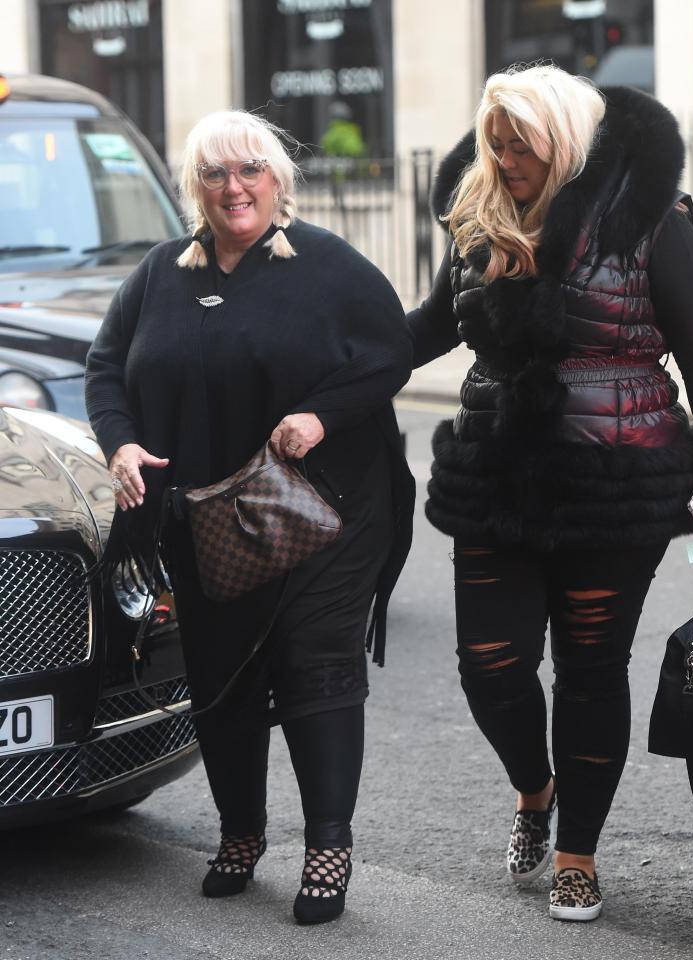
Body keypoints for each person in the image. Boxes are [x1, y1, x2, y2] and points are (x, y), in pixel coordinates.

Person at [407, 64, 693, 922]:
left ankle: (576, 856)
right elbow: (424, 329)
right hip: (497, 475)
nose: (505, 156)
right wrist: (324, 378)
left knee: (591, 673)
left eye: (521, 143)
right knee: (491, 666)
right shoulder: (480, 218)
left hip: (614, 480)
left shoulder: (650, 225)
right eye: (495, 140)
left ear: (562, 143)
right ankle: (534, 787)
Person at [84, 110, 414, 925]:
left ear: (277, 179)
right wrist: (121, 447)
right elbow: (104, 370)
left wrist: (324, 417)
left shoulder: (326, 266)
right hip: (207, 523)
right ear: (193, 188)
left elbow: (389, 355)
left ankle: (328, 846)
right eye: (214, 174)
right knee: (220, 675)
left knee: (313, 666)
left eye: (250, 171)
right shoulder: (160, 272)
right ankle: (240, 834)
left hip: (322, 514)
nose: (234, 188)